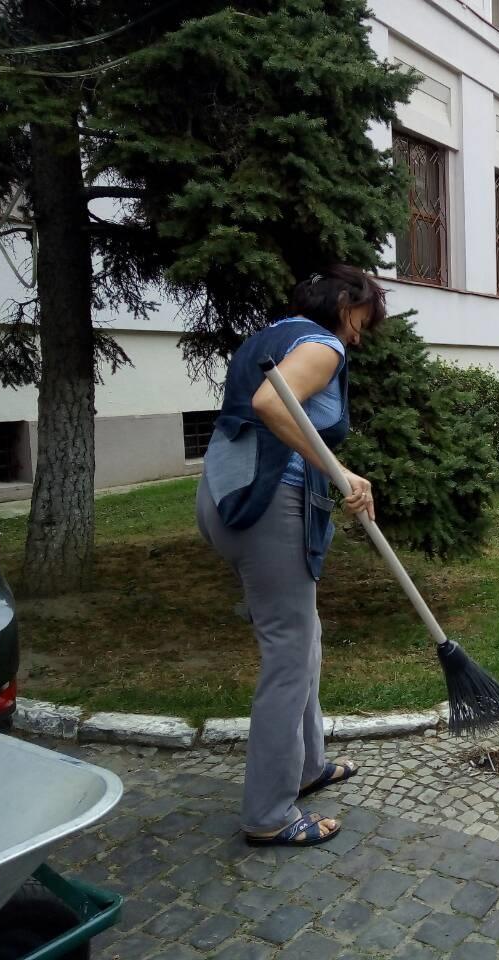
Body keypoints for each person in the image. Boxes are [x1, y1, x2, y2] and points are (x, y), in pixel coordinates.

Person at [195, 265, 383, 847]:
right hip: (265, 505)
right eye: (362, 321)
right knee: (287, 656)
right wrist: (341, 470)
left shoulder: (270, 334)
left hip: (224, 494)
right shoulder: (321, 345)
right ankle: (270, 815)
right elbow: (271, 406)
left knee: (303, 638)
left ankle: (307, 766)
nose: (359, 336)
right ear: (345, 303)